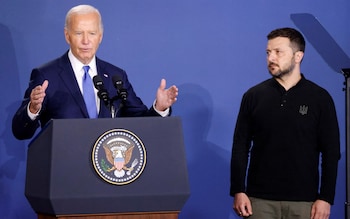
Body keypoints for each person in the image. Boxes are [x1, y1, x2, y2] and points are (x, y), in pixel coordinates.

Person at [12, 4, 178, 140]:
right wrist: (32, 109)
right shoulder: (47, 75)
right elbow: (20, 132)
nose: (86, 41)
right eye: (79, 33)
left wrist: (159, 108)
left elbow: (142, 123)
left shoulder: (116, 76)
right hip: (65, 171)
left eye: (91, 33)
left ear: (100, 36)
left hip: (108, 170)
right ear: (67, 36)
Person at [230, 27, 340, 219]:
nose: (271, 58)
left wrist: (326, 197)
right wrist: (238, 190)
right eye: (268, 52)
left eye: (278, 52)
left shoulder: (320, 98)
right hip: (259, 201)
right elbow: (240, 146)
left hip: (305, 203)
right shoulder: (253, 96)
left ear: (298, 56)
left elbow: (331, 152)